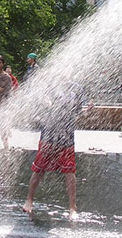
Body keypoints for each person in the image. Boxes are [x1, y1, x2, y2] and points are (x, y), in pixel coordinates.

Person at [22, 83, 86, 219]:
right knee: (39, 169)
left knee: (70, 171)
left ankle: (73, 207)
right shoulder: (50, 85)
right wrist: (47, 104)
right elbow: (41, 103)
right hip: (49, 135)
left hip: (66, 135)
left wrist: (86, 112)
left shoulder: (76, 89)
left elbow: (79, 112)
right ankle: (29, 199)